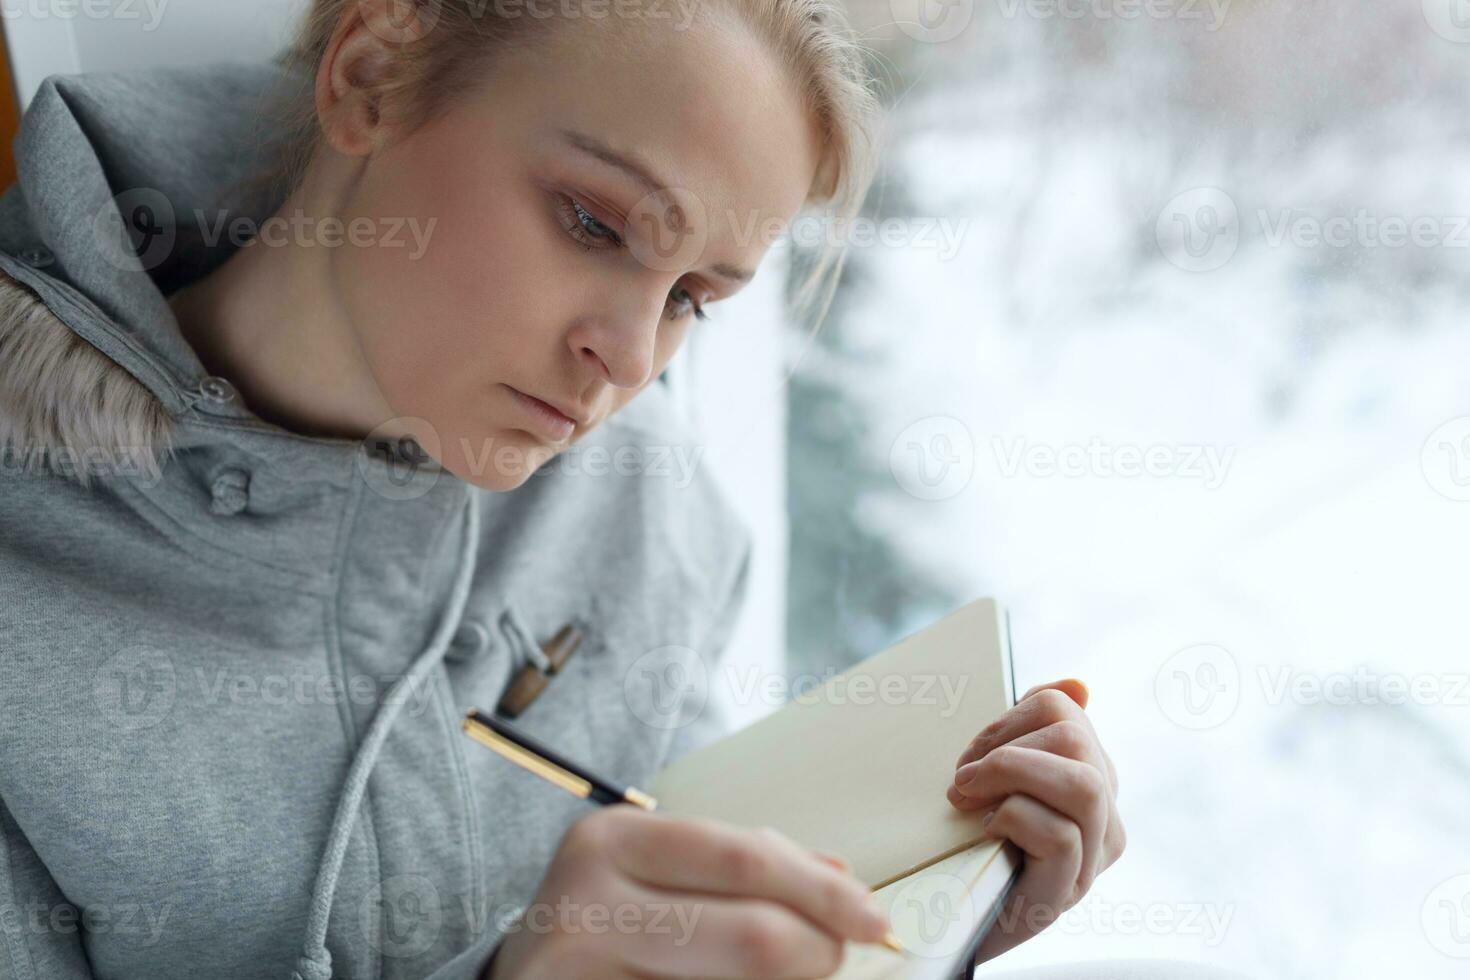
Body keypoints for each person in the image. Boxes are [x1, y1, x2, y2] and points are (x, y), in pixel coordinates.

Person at [0, 0, 1139, 977]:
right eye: (594, 222)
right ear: (370, 76)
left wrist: (916, 924)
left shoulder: (652, 512)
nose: (634, 361)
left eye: (694, 294)